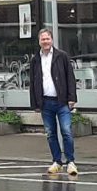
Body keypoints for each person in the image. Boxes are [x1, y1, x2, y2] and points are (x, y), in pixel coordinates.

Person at [30, 28, 78, 175]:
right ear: (39, 41)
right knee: (50, 133)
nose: (45, 41)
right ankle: (57, 161)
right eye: (42, 39)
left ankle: (70, 162)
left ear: (52, 40)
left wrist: (72, 98)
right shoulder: (35, 59)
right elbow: (33, 82)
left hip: (62, 101)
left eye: (47, 39)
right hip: (45, 102)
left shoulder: (61, 56)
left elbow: (70, 77)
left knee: (66, 131)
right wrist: (35, 103)